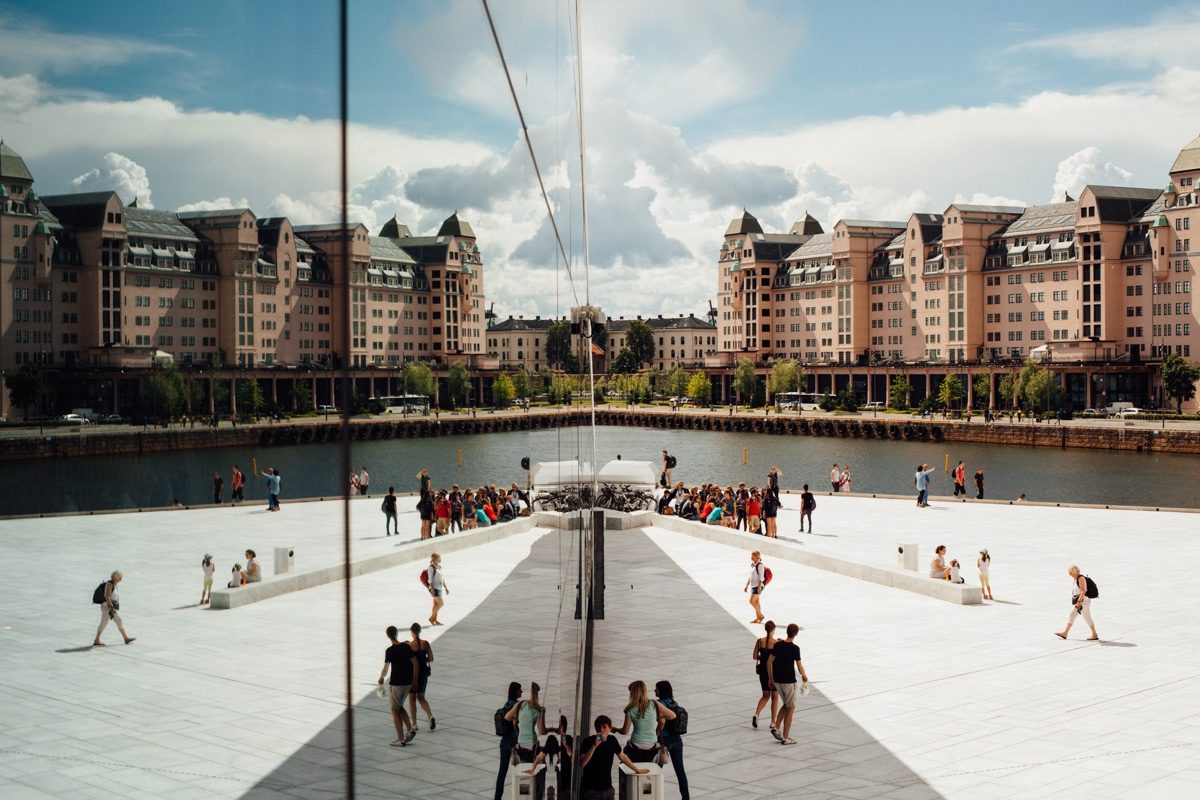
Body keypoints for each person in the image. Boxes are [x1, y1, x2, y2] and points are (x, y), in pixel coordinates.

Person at [580, 715, 648, 799]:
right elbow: (582, 763)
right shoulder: (587, 741)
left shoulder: (612, 740)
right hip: (590, 790)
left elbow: (622, 757)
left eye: (604, 727)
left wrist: (636, 770)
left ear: (610, 728)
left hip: (607, 788)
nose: (601, 730)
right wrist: (594, 746)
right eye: (599, 727)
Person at [767, 622, 809, 745]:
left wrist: (770, 678)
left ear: (787, 632)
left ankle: (776, 727)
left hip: (777, 681)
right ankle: (785, 737)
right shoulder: (795, 649)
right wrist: (804, 675)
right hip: (789, 682)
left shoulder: (778, 645)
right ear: (796, 634)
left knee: (786, 704)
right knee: (791, 707)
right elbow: (799, 665)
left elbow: (769, 662)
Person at [378, 625, 419, 746]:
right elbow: (415, 663)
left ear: (388, 636)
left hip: (396, 683)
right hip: (408, 683)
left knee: (394, 709)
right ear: (397, 634)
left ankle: (401, 739)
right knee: (399, 706)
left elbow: (386, 669)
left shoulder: (389, 651)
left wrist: (381, 677)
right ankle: (410, 730)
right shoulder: (406, 647)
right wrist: (415, 680)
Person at [617, 680, 676, 763]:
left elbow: (625, 731)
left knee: (623, 766)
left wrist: (615, 729)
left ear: (633, 693)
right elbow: (672, 715)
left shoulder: (629, 709)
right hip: (652, 746)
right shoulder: (653, 704)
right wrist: (656, 715)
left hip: (635, 745)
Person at [653, 681, 689, 800]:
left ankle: (653, 796)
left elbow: (661, 722)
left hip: (665, 741)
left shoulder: (659, 704)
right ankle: (686, 798)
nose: (655, 691)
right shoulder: (674, 702)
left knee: (655, 771)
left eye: (656, 689)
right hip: (677, 740)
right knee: (680, 772)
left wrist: (656, 734)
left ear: (661, 691)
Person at [505, 680, 549, 763]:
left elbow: (508, 718)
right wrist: (551, 729)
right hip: (532, 742)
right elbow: (542, 731)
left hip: (521, 742)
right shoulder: (539, 709)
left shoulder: (520, 704)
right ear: (537, 694)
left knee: (523, 766)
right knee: (534, 768)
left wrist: (517, 717)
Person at [1055, 565, 1099, 641]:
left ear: (1074, 571)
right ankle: (1065, 633)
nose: (1069, 574)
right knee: (1073, 615)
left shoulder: (1081, 578)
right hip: (1081, 601)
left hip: (1083, 601)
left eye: (1070, 572)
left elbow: (1083, 591)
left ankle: (1094, 634)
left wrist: (1079, 602)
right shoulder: (1076, 579)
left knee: (1087, 617)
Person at [752, 620, 780, 738]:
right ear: (773, 630)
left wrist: (762, 657)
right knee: (774, 696)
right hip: (773, 671)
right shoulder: (775, 643)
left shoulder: (759, 642)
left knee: (765, 695)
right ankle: (773, 721)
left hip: (762, 672)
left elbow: (754, 656)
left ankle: (757, 714)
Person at [93, 570, 135, 646]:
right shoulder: (109, 584)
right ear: (116, 578)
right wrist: (111, 607)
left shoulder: (114, 584)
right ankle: (97, 640)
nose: (121, 580)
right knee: (106, 622)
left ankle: (126, 638)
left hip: (109, 606)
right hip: (107, 607)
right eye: (120, 578)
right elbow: (107, 596)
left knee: (113, 621)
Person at [407, 623, 436, 731]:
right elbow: (431, 658)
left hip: (413, 674)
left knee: (412, 698)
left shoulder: (410, 645)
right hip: (423, 674)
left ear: (412, 632)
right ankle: (430, 716)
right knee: (421, 698)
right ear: (419, 631)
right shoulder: (426, 644)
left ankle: (414, 724)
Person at [743, 551, 767, 624]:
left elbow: (761, 577)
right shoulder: (753, 565)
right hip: (753, 586)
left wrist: (759, 587)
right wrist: (747, 585)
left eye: (753, 556)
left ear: (757, 557)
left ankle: (761, 615)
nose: (751, 557)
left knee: (751, 601)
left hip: (758, 586)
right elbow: (751, 576)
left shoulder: (760, 565)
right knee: (756, 602)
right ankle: (757, 618)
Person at [426, 553, 448, 626]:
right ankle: (432, 618)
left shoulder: (439, 567)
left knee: (436, 604)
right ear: (435, 559)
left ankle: (435, 620)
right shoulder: (431, 568)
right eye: (439, 558)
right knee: (441, 603)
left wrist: (446, 587)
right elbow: (430, 580)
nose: (440, 559)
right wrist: (432, 590)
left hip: (439, 587)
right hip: (434, 588)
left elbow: (441, 578)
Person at [417, 468, 434, 539]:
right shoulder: (422, 477)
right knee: (425, 524)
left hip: (425, 491)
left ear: (427, 472)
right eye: (423, 471)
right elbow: (417, 476)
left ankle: (424, 537)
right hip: (423, 493)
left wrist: (428, 490)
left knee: (424, 524)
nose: (424, 472)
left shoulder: (428, 477)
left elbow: (429, 484)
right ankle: (424, 537)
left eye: (425, 471)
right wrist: (421, 472)